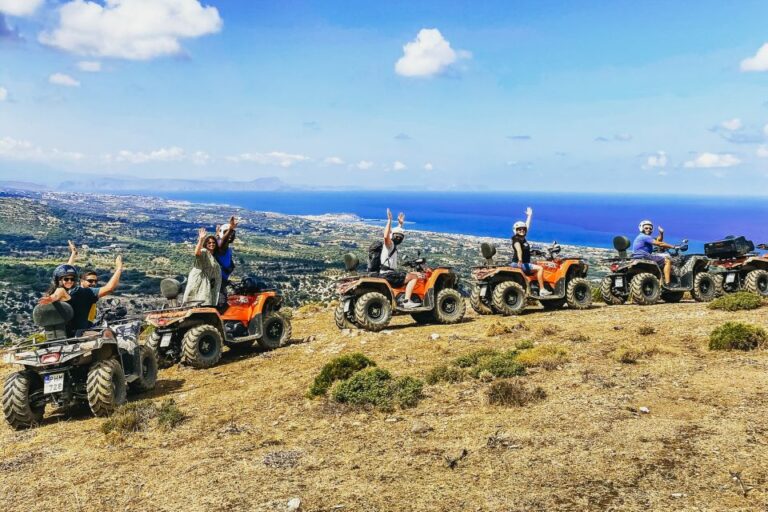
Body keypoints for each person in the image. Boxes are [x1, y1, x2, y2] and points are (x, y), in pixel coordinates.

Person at [39, 256, 124, 336]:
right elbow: (109, 288)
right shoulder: (81, 292)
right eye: (90, 281)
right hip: (78, 333)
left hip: (65, 332)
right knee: (111, 334)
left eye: (72, 279)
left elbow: (65, 273)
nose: (70, 281)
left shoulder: (70, 292)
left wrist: (73, 255)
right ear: (81, 281)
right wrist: (119, 268)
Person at [380, 208, 420, 308]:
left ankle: (403, 297)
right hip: (389, 274)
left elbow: (394, 234)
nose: (399, 238)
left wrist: (400, 224)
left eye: (400, 237)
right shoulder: (390, 245)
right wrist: (389, 220)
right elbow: (386, 236)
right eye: (398, 237)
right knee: (414, 277)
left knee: (412, 274)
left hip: (387, 273)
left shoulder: (392, 244)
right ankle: (407, 301)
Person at [510, 207, 552, 296]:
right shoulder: (517, 239)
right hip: (520, 264)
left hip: (519, 263)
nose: (522, 230)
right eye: (519, 229)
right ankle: (542, 290)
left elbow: (527, 226)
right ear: (515, 230)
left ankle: (534, 287)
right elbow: (518, 249)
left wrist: (529, 216)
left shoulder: (522, 238)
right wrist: (520, 260)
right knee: (540, 268)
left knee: (536, 266)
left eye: (523, 229)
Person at [182, 228, 222, 306]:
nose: (211, 244)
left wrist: (217, 234)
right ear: (205, 244)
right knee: (199, 300)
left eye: (213, 242)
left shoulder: (212, 254)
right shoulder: (203, 251)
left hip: (207, 281)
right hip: (199, 280)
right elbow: (197, 253)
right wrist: (201, 239)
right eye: (209, 243)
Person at [632, 220, 674, 285]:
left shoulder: (642, 237)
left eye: (650, 228)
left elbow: (658, 240)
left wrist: (661, 233)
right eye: (646, 228)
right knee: (667, 260)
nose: (648, 229)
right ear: (641, 228)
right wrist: (673, 246)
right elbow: (660, 243)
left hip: (637, 256)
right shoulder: (644, 237)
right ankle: (667, 283)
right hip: (644, 255)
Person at [214, 215, 238, 307]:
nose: (231, 235)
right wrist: (231, 229)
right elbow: (222, 242)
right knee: (221, 306)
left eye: (233, 233)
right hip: (218, 281)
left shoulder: (226, 247)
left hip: (222, 281)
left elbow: (220, 238)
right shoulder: (221, 247)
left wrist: (218, 232)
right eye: (227, 232)